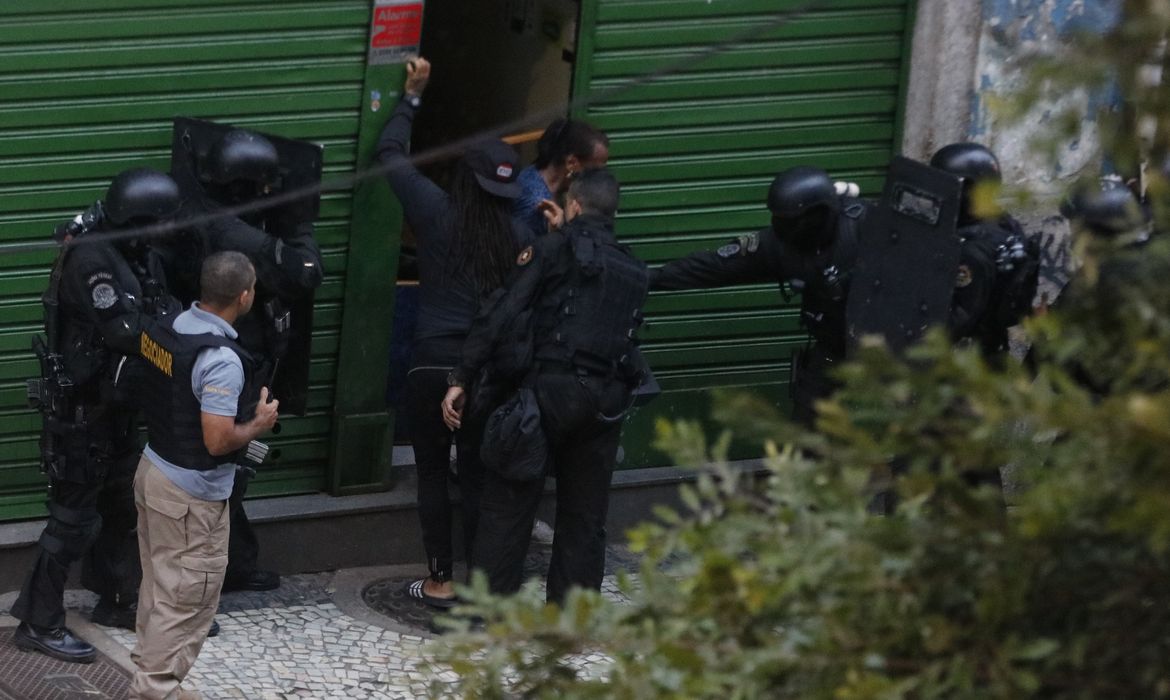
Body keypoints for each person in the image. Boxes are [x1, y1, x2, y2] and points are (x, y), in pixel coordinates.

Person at [442, 168, 650, 604]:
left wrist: (462, 376)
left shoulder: (551, 249)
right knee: (584, 515)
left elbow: (502, 313)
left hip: (548, 393)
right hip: (605, 404)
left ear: (573, 204)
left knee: (509, 502)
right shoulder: (633, 267)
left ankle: (483, 612)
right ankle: (572, 617)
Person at [376, 56, 532, 607]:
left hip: (429, 365)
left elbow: (389, 156)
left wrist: (412, 96)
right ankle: (478, 580)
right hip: (482, 371)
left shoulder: (437, 212)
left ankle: (439, 579)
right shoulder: (519, 234)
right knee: (475, 477)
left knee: (431, 474)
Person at [11, 168, 182, 663]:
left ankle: (119, 598)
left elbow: (161, 308)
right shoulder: (92, 261)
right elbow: (127, 329)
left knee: (123, 508)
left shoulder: (135, 251)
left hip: (117, 407)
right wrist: (177, 336)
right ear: (140, 219)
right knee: (72, 520)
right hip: (82, 415)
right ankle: (37, 621)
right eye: (163, 222)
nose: (168, 232)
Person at [168, 126, 324, 593]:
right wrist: (297, 226)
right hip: (235, 374)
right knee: (228, 475)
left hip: (237, 367)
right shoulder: (235, 236)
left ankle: (236, 565)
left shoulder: (197, 207)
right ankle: (201, 586)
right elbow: (305, 275)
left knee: (237, 474)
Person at [131, 251, 279, 700]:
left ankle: (148, 680)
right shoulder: (221, 359)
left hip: (155, 472)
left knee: (160, 592)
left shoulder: (173, 327)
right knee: (185, 604)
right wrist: (259, 424)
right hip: (190, 497)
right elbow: (217, 441)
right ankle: (153, 691)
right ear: (244, 295)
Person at [651, 166, 867, 425]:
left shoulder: (867, 228)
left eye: (788, 220)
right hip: (833, 349)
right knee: (808, 427)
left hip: (890, 350)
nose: (779, 226)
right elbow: (717, 266)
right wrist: (649, 278)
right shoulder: (782, 244)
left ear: (815, 214)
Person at [930, 143, 1039, 358]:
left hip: (968, 364)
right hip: (988, 347)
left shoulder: (973, 251)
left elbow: (957, 321)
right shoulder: (1002, 223)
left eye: (948, 186)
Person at [513, 118, 609, 237]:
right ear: (571, 163)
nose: (599, 177)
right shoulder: (534, 201)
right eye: (594, 170)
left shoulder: (565, 189)